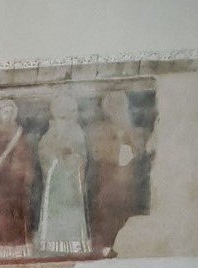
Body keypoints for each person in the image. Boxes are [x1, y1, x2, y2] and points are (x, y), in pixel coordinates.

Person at [88, 90, 146, 254]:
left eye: (119, 105)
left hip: (127, 179)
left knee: (126, 209)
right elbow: (96, 152)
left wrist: (128, 145)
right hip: (107, 177)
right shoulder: (101, 129)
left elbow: (139, 150)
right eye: (112, 106)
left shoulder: (132, 130)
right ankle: (106, 246)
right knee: (106, 210)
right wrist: (116, 149)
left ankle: (126, 246)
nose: (116, 109)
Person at [0, 98, 35, 258]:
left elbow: (25, 155)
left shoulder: (19, 133)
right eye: (5, 112)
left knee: (16, 213)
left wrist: (24, 170)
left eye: (10, 112)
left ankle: (17, 246)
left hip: (16, 182)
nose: (8, 115)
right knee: (0, 214)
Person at [37, 94, 92, 254]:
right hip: (56, 181)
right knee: (56, 212)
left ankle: (74, 244)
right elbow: (44, 152)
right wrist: (57, 156)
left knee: (73, 213)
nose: (66, 116)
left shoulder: (77, 132)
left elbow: (82, 155)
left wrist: (74, 158)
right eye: (62, 112)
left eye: (69, 111)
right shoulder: (50, 134)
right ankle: (53, 245)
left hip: (72, 180)